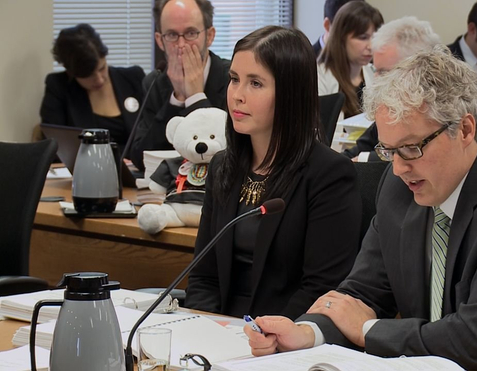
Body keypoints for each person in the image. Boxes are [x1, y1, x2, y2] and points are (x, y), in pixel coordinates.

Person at [243, 45, 477, 370]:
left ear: (465, 130)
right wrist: (306, 334)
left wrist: (368, 329)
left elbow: (476, 341)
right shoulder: (401, 186)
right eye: (389, 150)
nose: (400, 167)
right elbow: (362, 294)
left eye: (412, 147)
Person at [185, 26, 362, 320]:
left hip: (285, 338)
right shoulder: (222, 167)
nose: (237, 96)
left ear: (290, 93)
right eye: (234, 79)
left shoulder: (329, 175)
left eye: (255, 83)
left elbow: (321, 288)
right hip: (219, 334)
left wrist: (267, 335)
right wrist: (206, 328)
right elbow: (205, 276)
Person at [130, 0, 231, 171]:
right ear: (159, 40)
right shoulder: (154, 82)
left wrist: (195, 98)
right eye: (171, 35)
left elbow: (229, 156)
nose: (181, 45)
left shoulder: (233, 79)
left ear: (210, 36)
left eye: (191, 33)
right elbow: (141, 159)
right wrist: (176, 100)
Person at [342, 16, 442, 162]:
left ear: (420, 69)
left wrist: (364, 159)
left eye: (384, 72)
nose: (376, 80)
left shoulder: (445, 115)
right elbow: (354, 153)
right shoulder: (392, 110)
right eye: (375, 70)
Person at [40, 23, 145, 151]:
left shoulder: (133, 78)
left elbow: (150, 135)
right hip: (85, 168)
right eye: (88, 76)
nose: (99, 79)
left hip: (136, 168)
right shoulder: (59, 86)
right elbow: (54, 145)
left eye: (102, 68)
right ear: (71, 72)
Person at [317, 1, 383, 121]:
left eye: (375, 38)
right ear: (340, 37)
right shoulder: (318, 76)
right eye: (363, 38)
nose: (371, 46)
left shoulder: (373, 71)